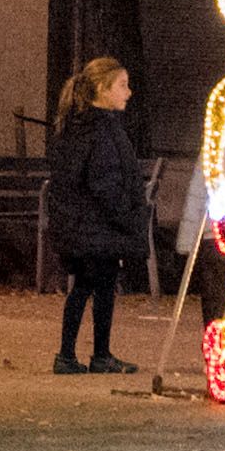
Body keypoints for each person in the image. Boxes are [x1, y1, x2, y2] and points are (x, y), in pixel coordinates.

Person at [43, 57, 147, 375]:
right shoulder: (102, 131)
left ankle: (74, 354)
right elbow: (106, 183)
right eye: (122, 85)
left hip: (81, 226)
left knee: (89, 287)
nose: (128, 92)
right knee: (96, 287)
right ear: (102, 89)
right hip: (97, 228)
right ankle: (93, 355)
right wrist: (128, 218)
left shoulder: (78, 126)